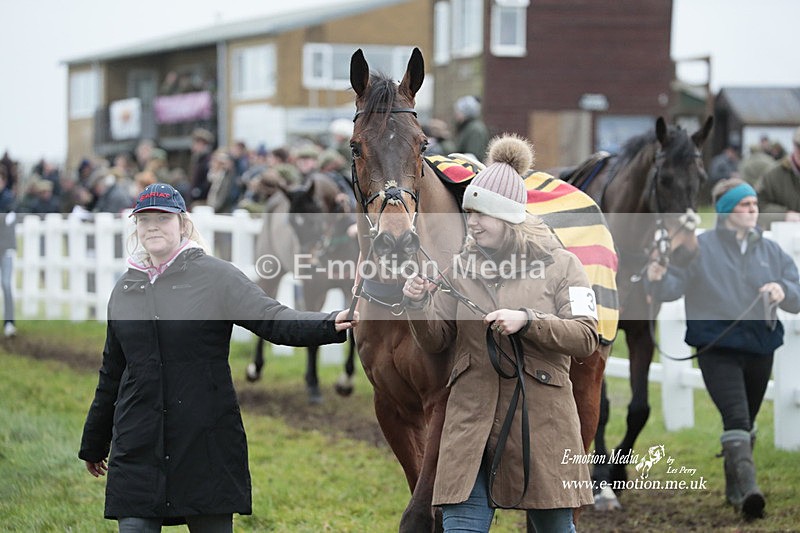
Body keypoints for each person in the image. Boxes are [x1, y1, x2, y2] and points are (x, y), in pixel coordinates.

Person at [78, 183, 357, 532]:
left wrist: (329, 323)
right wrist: (94, 442)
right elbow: (112, 372)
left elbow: (272, 318)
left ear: (182, 224)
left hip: (205, 443)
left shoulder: (216, 277)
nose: (153, 226)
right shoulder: (125, 289)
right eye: (145, 219)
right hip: (138, 447)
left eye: (162, 218)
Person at [402, 135, 597, 532]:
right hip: (470, 420)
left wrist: (528, 320)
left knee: (555, 528)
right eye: (469, 213)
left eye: (481, 215)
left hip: (542, 424)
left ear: (509, 218)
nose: (471, 223)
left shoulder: (564, 266)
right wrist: (418, 304)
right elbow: (436, 341)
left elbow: (586, 337)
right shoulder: (460, 266)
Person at [645, 178, 800, 519]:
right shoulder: (702, 247)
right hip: (717, 348)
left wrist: (782, 289)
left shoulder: (770, 250)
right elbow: (672, 288)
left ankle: (734, 487)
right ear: (728, 210)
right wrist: (657, 276)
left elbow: (797, 291)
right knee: (737, 417)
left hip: (761, 347)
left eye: (755, 204)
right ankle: (749, 492)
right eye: (745, 205)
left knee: (747, 422)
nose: (752, 210)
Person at [755, 125, 800, 229]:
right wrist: (784, 215)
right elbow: (757, 207)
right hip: (782, 236)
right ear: (794, 146)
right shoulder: (772, 175)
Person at [0, 168, 16, 336]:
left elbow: (7, 220)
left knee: (6, 284)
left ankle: (9, 322)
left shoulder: (8, 199)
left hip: (5, 249)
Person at [453, 95, 490, 163]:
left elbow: (473, 158)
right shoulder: (467, 127)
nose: (456, 114)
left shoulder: (475, 130)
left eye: (459, 111)